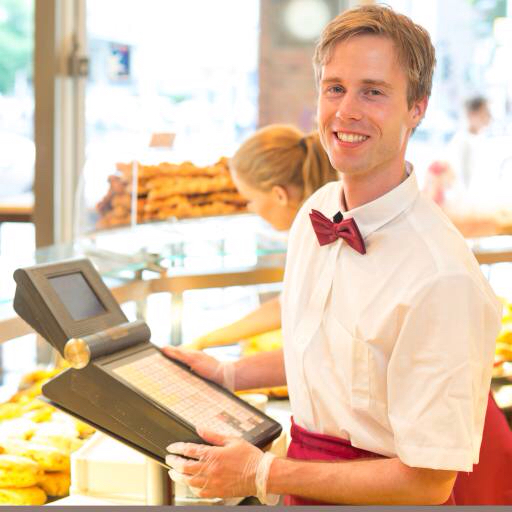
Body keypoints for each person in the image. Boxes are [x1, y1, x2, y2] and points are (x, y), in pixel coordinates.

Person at [162, 5, 503, 505]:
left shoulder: (442, 277)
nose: (346, 111)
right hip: (304, 489)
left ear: (418, 108)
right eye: (335, 88)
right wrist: (227, 374)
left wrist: (263, 474)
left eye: (374, 91)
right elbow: (328, 360)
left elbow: (428, 482)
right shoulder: (316, 213)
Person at [188, 124, 338, 351]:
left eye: (250, 199)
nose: (251, 209)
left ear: (279, 195)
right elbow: (287, 305)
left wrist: (218, 361)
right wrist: (205, 341)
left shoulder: (327, 242)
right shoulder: (321, 228)